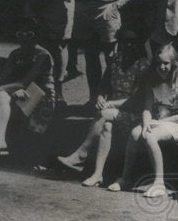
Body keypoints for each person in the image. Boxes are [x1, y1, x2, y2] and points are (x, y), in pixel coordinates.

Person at [57, 27, 149, 187]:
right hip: (111, 111)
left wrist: (110, 104)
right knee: (106, 126)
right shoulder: (116, 60)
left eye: (132, 42)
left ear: (138, 44)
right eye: (124, 41)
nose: (128, 45)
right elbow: (103, 86)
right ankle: (98, 174)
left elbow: (137, 100)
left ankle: (81, 154)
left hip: (134, 113)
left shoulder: (143, 66)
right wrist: (100, 98)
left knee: (105, 115)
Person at [108, 44, 178, 198]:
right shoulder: (152, 80)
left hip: (176, 122)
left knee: (150, 136)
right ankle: (125, 178)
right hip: (157, 120)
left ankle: (159, 183)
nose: (162, 67)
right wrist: (146, 123)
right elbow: (147, 107)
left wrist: (159, 123)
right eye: (159, 63)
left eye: (166, 63)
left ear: (174, 63)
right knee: (135, 133)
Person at [0, 22, 55, 167]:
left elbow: (28, 81)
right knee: (1, 97)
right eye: (20, 34)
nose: (24, 38)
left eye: (29, 35)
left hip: (41, 94)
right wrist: (6, 89)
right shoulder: (15, 53)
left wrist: (6, 88)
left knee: (0, 98)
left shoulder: (43, 55)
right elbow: (5, 78)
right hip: (17, 91)